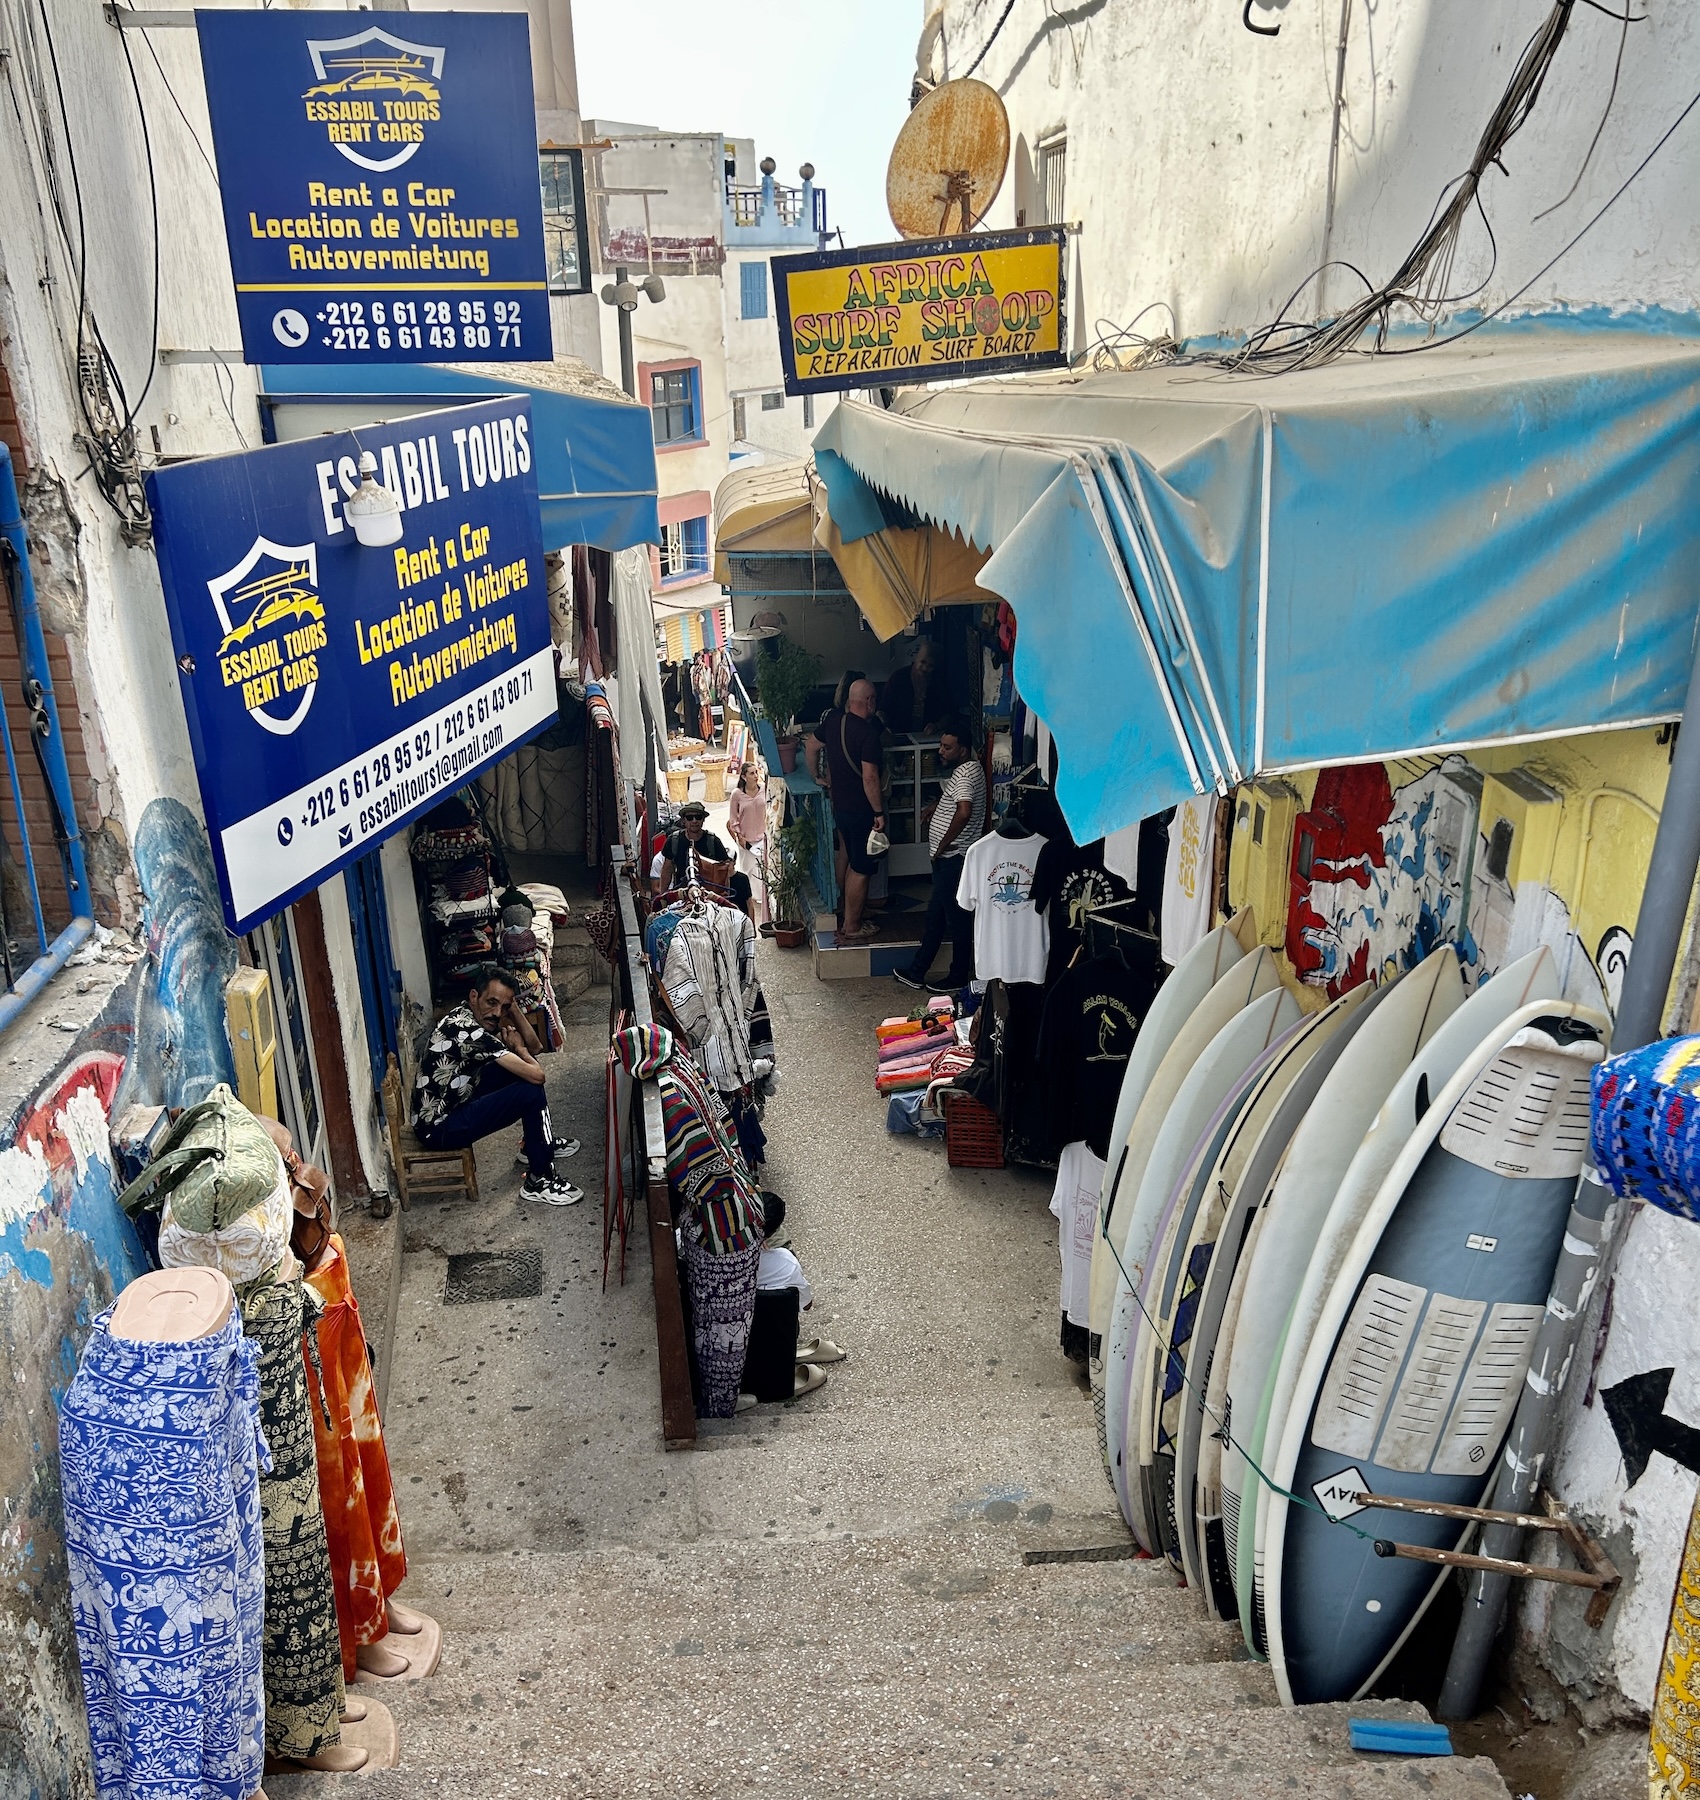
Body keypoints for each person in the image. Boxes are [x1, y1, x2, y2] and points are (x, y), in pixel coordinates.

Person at [411, 968, 581, 1204]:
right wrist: (518, 1049)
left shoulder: (468, 1015)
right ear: (474, 996)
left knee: (521, 1075)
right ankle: (539, 1179)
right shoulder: (467, 1031)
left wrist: (511, 1007)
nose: (496, 1013)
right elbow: (537, 1074)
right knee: (529, 1089)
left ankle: (535, 1144)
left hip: (456, 1099)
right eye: (491, 1002)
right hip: (438, 1129)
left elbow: (536, 1048)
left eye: (503, 1007)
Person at [895, 715, 987, 991]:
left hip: (953, 859)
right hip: (947, 860)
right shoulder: (970, 771)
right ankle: (917, 971)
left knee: (957, 920)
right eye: (941, 745)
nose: (940, 751)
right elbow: (957, 800)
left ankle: (957, 977)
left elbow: (965, 810)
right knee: (935, 916)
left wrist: (944, 844)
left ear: (962, 749)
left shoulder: (965, 773)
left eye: (947, 747)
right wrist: (937, 805)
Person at [815, 678, 885, 941]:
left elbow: (811, 746)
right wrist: (878, 812)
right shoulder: (868, 734)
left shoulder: (834, 721)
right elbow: (870, 777)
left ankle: (849, 909)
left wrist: (817, 777)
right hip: (860, 810)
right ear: (869, 702)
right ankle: (852, 926)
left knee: (848, 856)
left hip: (839, 806)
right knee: (861, 866)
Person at [725, 760, 769, 923]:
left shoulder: (764, 790)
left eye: (756, 772)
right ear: (744, 776)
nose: (756, 776)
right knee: (750, 870)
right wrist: (740, 837)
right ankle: (753, 900)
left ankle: (761, 899)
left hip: (762, 837)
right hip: (745, 839)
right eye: (752, 773)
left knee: (762, 869)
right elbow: (733, 819)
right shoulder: (737, 794)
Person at [656, 800, 733, 893]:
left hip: (709, 894)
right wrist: (663, 896)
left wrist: (724, 895)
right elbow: (667, 870)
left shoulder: (713, 841)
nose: (694, 821)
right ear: (684, 820)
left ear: (703, 819)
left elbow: (725, 870)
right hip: (681, 892)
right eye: (689, 817)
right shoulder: (673, 840)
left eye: (698, 817)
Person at [880, 637, 938, 735]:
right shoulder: (898, 678)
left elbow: (949, 713)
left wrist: (937, 725)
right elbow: (883, 710)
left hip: (926, 737)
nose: (925, 668)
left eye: (930, 665)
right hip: (898, 734)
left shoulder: (937, 682)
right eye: (923, 662)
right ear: (916, 659)